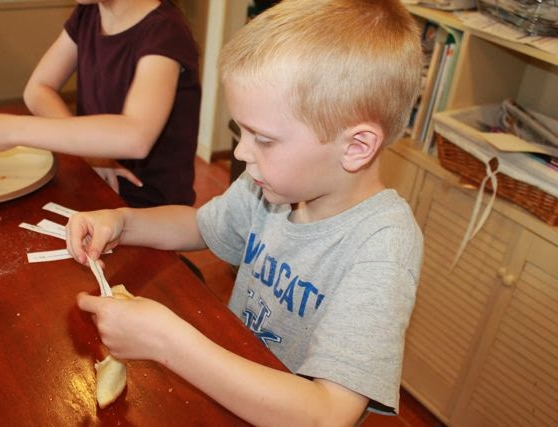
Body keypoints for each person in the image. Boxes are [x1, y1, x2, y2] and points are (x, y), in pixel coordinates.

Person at [66, 0, 423, 424]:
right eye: (242, 132)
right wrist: (124, 221)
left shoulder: (383, 246)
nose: (240, 152)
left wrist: (167, 342)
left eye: (264, 139)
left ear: (357, 147)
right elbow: (201, 226)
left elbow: (328, 414)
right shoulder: (272, 188)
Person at [0, 0, 201, 208]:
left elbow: (136, 136)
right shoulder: (87, 14)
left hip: (151, 207)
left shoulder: (166, 32)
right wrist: (91, 150)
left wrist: (10, 130)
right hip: (97, 187)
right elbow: (38, 88)